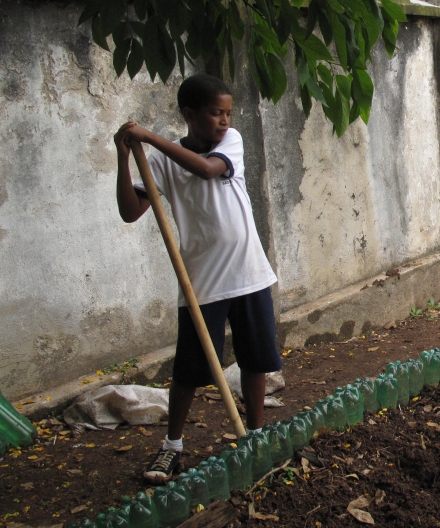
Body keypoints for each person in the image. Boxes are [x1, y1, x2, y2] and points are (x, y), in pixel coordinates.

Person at [114, 74, 281, 484]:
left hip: (248, 271)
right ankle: (172, 447)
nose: (225, 120)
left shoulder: (231, 143)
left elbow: (208, 171)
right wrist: (124, 156)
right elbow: (130, 211)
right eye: (215, 113)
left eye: (228, 112)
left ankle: (254, 434)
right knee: (188, 371)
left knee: (255, 359)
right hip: (201, 282)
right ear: (189, 115)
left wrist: (150, 137)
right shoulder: (158, 162)